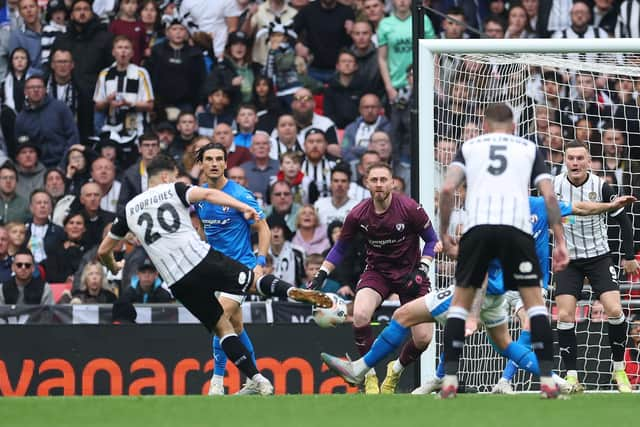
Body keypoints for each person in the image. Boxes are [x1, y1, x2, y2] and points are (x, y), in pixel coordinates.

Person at [97, 154, 331, 395]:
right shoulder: (173, 189)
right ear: (166, 176)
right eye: (175, 175)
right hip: (201, 259)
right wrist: (243, 207)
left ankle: (256, 379)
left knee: (223, 327)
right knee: (254, 283)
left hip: (177, 282)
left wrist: (113, 266)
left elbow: (103, 250)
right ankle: (293, 292)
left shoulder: (129, 210)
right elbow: (208, 194)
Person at [437, 103, 569, 399]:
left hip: (477, 228)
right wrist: (559, 241)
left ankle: (449, 379)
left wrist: (444, 234)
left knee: (460, 304)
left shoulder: (470, 147)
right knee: (534, 305)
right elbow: (549, 196)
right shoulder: (528, 148)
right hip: (516, 229)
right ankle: (547, 380)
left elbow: (446, 190)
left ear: (484, 126)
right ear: (513, 127)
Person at [307, 162, 438, 394]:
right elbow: (341, 247)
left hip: (410, 275)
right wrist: (322, 274)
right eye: (374, 180)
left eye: (383, 180)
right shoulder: (358, 213)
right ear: (367, 183)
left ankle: (395, 370)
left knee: (423, 339)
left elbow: (431, 240)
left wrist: (422, 270)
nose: (379, 184)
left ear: (392, 183)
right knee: (359, 314)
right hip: (377, 273)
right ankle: (367, 374)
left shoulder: (409, 208)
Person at [491, 193, 637, 394]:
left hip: (530, 282)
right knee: (462, 321)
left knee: (531, 325)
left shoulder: (540, 205)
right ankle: (441, 376)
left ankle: (506, 380)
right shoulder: (491, 212)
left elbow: (581, 208)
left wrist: (610, 205)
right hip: (496, 279)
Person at [553, 140, 638, 393]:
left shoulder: (601, 186)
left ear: (589, 161)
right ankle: (571, 375)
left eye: (580, 158)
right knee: (566, 315)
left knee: (614, 309)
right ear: (565, 161)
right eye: (571, 158)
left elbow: (624, 220)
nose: (575, 163)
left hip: (599, 257)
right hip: (569, 260)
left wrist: (629, 256)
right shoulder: (554, 186)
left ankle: (619, 369)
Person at [193, 141, 271, 396]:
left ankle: (216, 382)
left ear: (226, 163)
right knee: (236, 327)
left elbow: (263, 227)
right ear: (202, 164)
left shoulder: (240, 195)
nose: (214, 163)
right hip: (215, 270)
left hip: (240, 270)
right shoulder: (200, 197)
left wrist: (259, 263)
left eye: (219, 159)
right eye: (209, 159)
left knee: (219, 319)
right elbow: (206, 233)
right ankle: (254, 380)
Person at [93, 35, 154, 136]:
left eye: (126, 48)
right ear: (113, 52)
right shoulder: (105, 74)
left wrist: (129, 104)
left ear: (132, 53)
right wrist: (108, 101)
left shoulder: (140, 73)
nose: (123, 51)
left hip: (136, 127)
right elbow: (97, 106)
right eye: (120, 47)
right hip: (110, 128)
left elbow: (150, 105)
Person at [14, 74, 79, 167]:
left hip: (64, 162)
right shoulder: (21, 119)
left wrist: (63, 163)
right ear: (25, 92)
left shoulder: (60, 108)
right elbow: (22, 148)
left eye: (39, 87)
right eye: (32, 87)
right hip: (38, 168)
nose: (36, 90)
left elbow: (73, 136)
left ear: (45, 90)